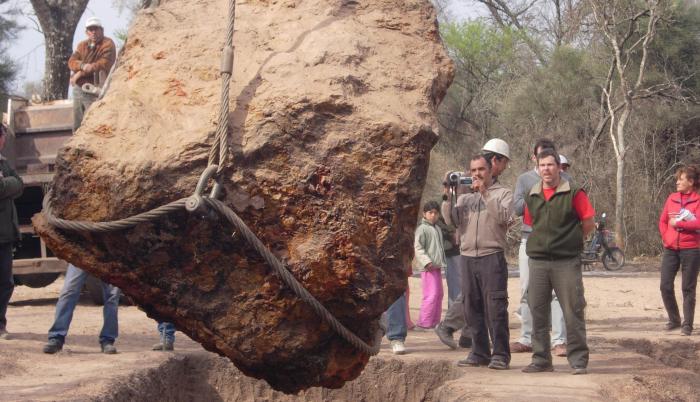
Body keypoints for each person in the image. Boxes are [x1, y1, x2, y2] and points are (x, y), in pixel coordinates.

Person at [521, 149, 595, 375]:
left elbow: (588, 222)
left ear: (559, 167)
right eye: (542, 165)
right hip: (538, 262)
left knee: (572, 310)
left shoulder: (574, 192)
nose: (546, 169)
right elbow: (530, 223)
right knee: (538, 311)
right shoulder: (531, 193)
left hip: (566, 261)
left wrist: (570, 241)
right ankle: (541, 359)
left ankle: (578, 360)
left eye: (550, 165)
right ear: (538, 167)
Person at [435, 139, 511, 350]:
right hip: (468, 252)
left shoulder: (502, 192)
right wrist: (449, 193)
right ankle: (474, 347)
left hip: (490, 252)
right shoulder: (466, 191)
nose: (476, 174)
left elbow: (503, 217)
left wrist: (484, 192)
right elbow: (451, 220)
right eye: (473, 170)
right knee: (471, 304)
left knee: (493, 306)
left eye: (481, 170)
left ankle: (496, 352)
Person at [511, 139, 568, 357]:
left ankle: (559, 340)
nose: (545, 165)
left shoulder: (566, 180)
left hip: (557, 242)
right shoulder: (525, 179)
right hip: (530, 239)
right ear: (534, 158)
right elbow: (517, 209)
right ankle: (527, 338)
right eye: (540, 158)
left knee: (557, 293)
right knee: (527, 290)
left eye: (549, 160)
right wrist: (537, 193)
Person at [658, 165, 700, 336]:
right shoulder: (672, 198)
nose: (677, 182)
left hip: (691, 249)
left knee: (688, 288)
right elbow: (663, 221)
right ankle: (674, 319)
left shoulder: (698, 200)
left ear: (691, 182)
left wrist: (680, 224)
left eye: (681, 179)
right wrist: (666, 236)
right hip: (670, 248)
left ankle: (687, 324)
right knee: (665, 285)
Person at [43, 263, 121, 354]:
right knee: (68, 291)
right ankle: (56, 338)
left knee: (112, 296)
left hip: (108, 257)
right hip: (82, 254)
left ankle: (108, 340)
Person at [68, 16, 116, 132]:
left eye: (96, 29)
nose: (93, 32)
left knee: (94, 120)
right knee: (77, 122)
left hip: (96, 89)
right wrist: (83, 66)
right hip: (80, 88)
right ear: (86, 32)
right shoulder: (82, 45)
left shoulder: (108, 44)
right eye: (90, 29)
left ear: (102, 30)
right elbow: (71, 62)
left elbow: (103, 64)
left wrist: (79, 73)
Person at [0, 124, 23, 340]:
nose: (4, 141)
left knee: (5, 283)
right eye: (2, 137)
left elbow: (20, 184)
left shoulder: (4, 163)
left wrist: (5, 184)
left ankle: (1, 324)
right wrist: (9, 186)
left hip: (5, 235)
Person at [413, 201, 447, 330]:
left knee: (439, 294)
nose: (433, 215)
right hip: (428, 268)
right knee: (431, 294)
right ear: (424, 214)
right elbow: (418, 247)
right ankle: (423, 323)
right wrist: (427, 262)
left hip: (437, 267)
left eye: (435, 213)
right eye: (430, 212)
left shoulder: (437, 228)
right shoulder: (421, 229)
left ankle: (434, 322)